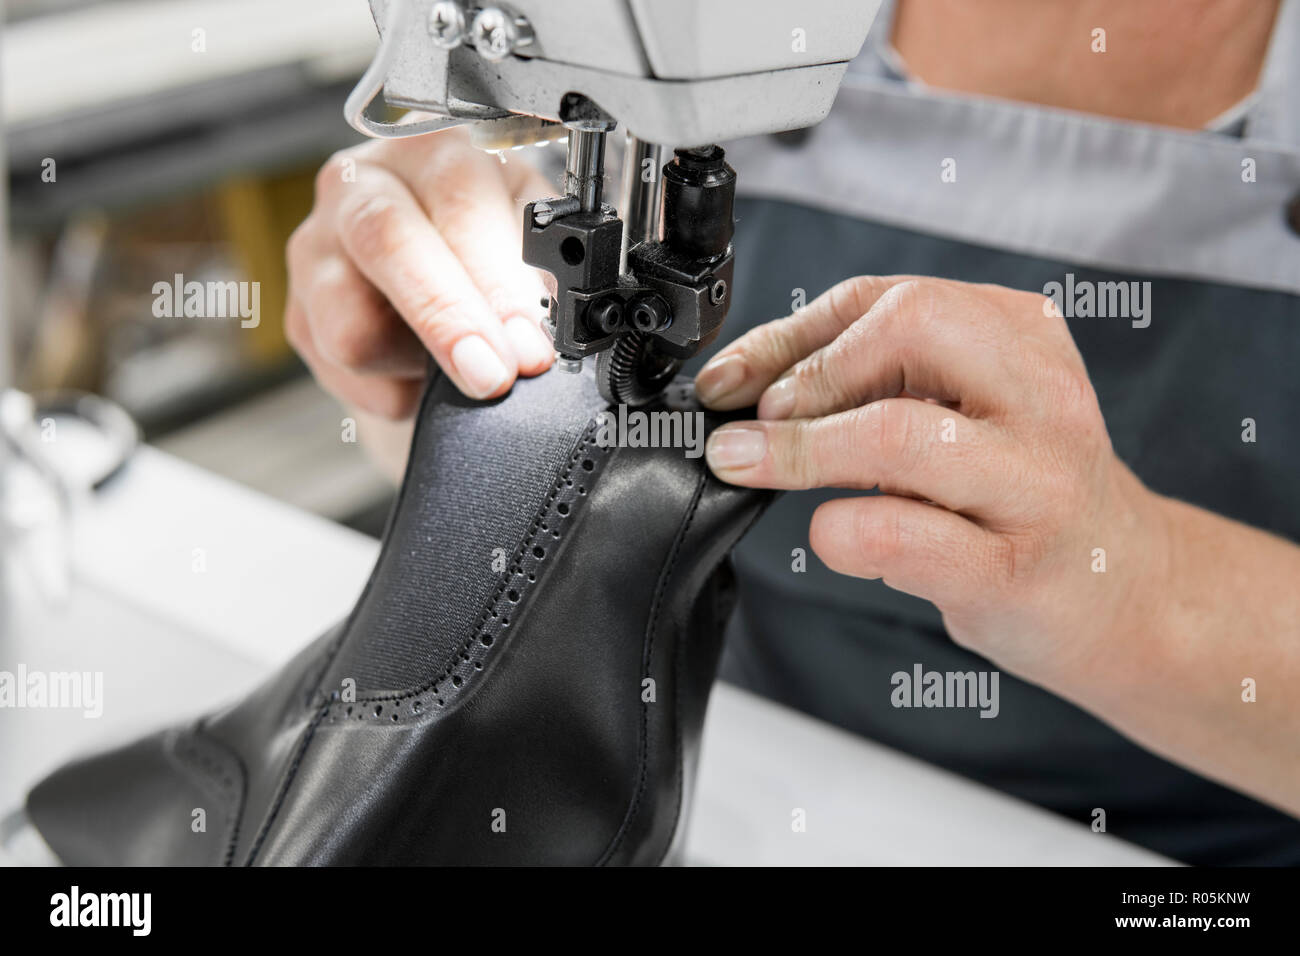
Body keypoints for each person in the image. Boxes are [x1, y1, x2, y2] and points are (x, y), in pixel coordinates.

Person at [284, 0, 1300, 864]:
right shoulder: (728, 31)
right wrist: (438, 371)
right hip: (739, 786)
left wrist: (1141, 583)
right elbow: (560, 466)